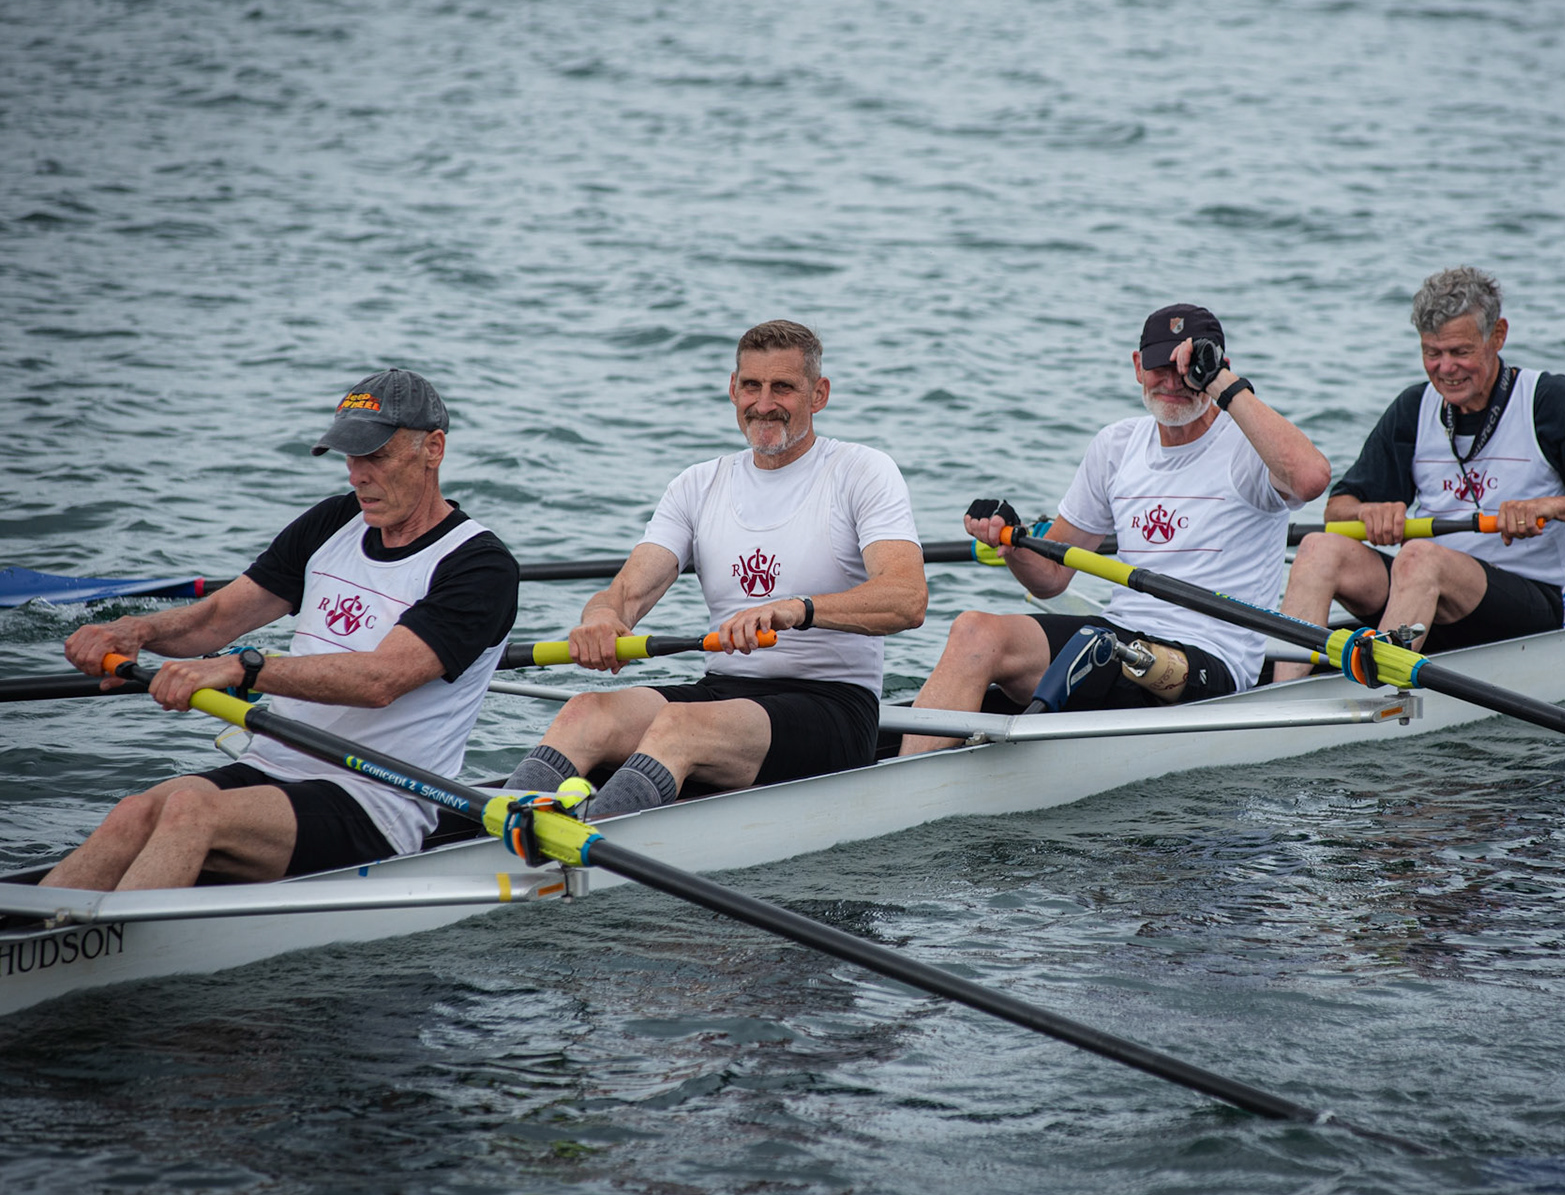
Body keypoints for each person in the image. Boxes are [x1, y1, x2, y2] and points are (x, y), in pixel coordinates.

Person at [46, 370, 519, 890]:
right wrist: (136, 631)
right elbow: (217, 618)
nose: (357, 476)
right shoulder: (336, 521)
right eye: (350, 457)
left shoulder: (479, 566)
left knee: (189, 813)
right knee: (135, 811)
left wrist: (243, 669)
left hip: (377, 798)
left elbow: (380, 681)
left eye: (376, 457)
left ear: (433, 448)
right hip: (273, 762)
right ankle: (46, 932)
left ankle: (119, 938)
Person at [506, 319, 926, 813]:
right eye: (751, 386)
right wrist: (601, 619)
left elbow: (907, 598)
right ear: (732, 389)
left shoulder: (861, 471)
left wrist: (797, 609)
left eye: (783, 388)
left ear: (819, 395)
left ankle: (594, 838)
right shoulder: (698, 484)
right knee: (585, 713)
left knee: (679, 727)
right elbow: (625, 593)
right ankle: (499, 829)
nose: (763, 404)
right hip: (724, 691)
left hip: (833, 704)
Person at [899, 304, 1330, 753]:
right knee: (974, 631)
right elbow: (1051, 578)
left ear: (1216, 369)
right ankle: (909, 776)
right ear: (1137, 366)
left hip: (1209, 661)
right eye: (1160, 368)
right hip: (1120, 636)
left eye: (1188, 370)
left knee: (1090, 649)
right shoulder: (1117, 446)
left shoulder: (1250, 449)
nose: (1173, 382)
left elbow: (1312, 478)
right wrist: (1012, 539)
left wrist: (1221, 381)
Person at [1273, 267, 1565, 676]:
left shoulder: (1549, 401)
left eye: (1459, 352)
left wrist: (1552, 507)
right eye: (1432, 353)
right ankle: (1280, 693)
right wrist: (1368, 513)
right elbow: (1338, 510)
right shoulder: (1415, 408)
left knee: (1419, 558)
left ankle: (1375, 693)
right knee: (1318, 548)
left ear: (1498, 335)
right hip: (1423, 594)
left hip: (1525, 603)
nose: (1446, 368)